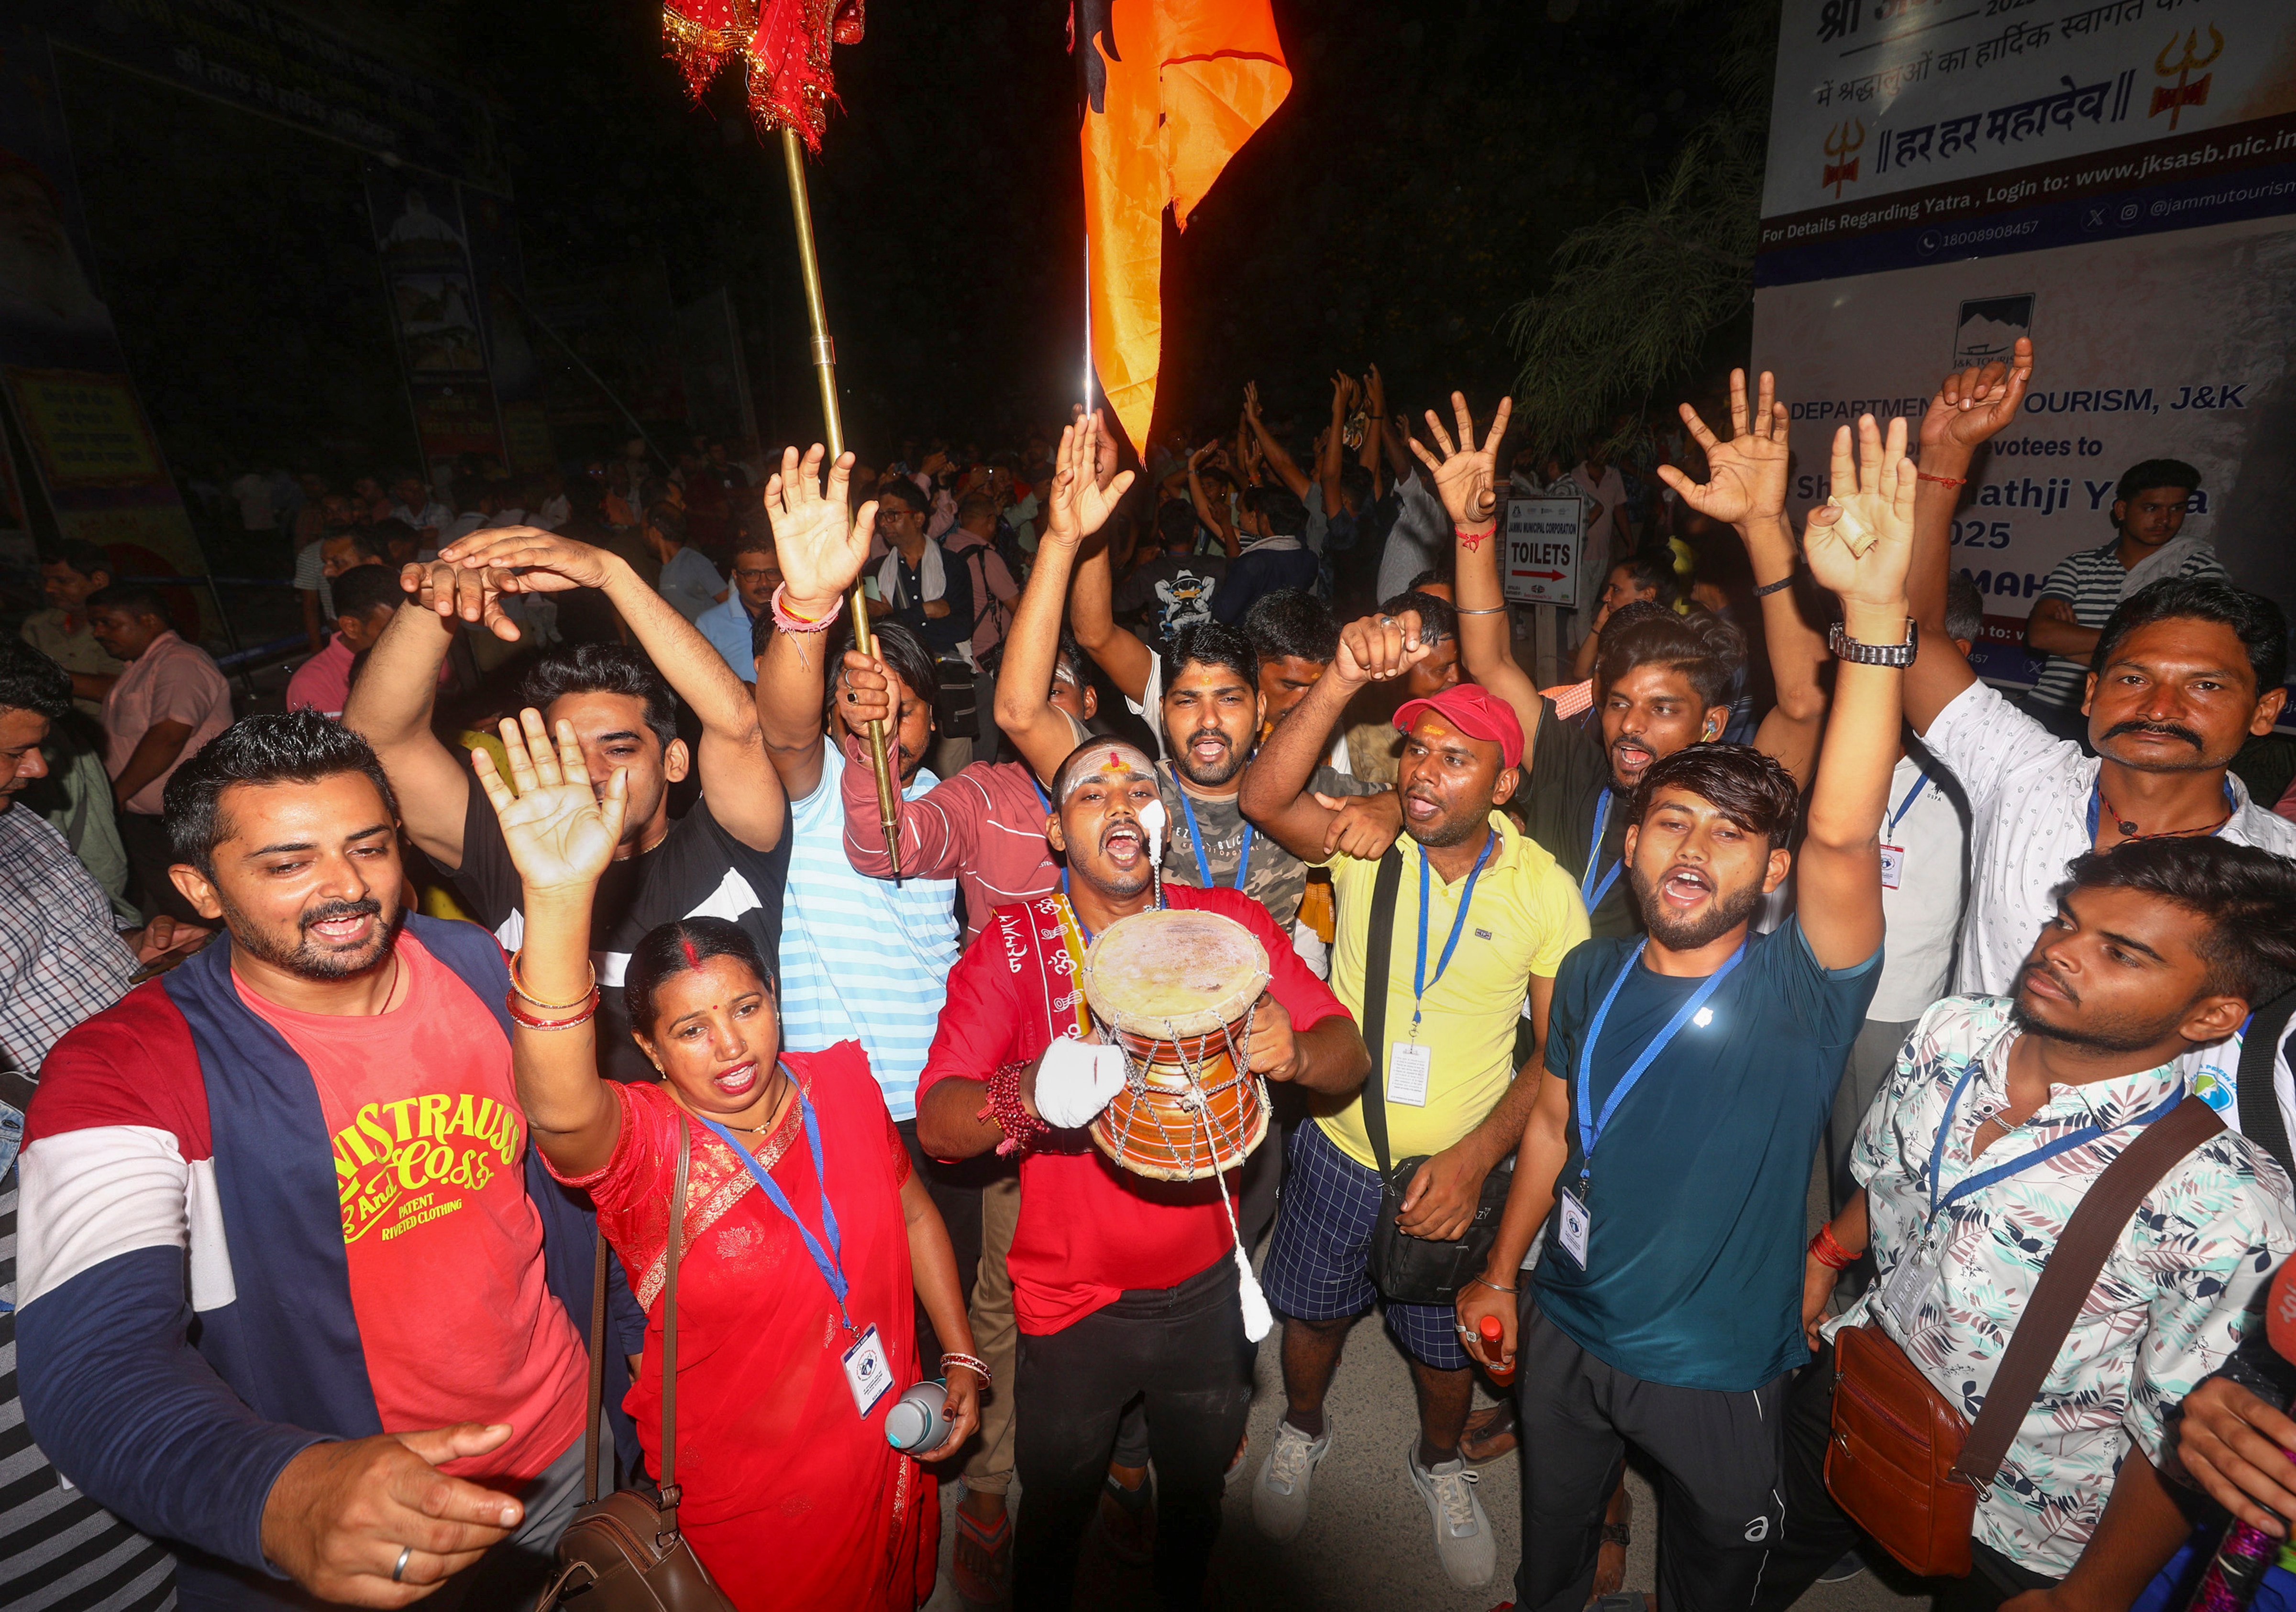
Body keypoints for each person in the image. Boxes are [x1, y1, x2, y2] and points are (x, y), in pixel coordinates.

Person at [1454, 407, 1912, 1612]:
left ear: (1769, 867)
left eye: (1727, 830)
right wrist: (1501, 1270)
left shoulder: (1799, 990)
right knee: (1551, 1535)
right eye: (1669, 819)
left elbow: (1840, 820)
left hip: (1711, 1363)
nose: (1691, 845)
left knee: (1707, 1577)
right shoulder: (1595, 970)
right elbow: (1553, 1122)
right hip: (1561, 1318)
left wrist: (1869, 617)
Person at [17, 714, 624, 1609]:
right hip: (372, 1516)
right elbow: (92, 1360)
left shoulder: (472, 965)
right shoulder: (123, 1068)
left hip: (570, 1443)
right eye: (287, 863)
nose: (346, 887)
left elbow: (580, 1176)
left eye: (368, 847)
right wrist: (278, 1490)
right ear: (200, 888)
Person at [469, 703, 979, 1610]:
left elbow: (911, 1212)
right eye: (692, 1029)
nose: (732, 1046)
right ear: (655, 1053)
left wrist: (966, 1359)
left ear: (776, 1000)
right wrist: (555, 901)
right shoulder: (646, 1146)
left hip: (887, 1440)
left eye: (747, 1009)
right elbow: (554, 1104)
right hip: (752, 1499)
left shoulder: (842, 1081)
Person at [1753, 837, 2296, 1612]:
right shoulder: (1954, 1029)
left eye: (2121, 952)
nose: (2063, 951)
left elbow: (2172, 1440)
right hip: (1855, 1378)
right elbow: (1892, 1173)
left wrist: (2090, 1599)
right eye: (2066, 921)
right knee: (1742, 1566)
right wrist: (1826, 1255)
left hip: (2021, 1513)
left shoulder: (2227, 1204)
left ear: (2211, 1013)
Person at [915, 736, 1371, 1612]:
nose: (1122, 802)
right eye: (1093, 793)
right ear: (1055, 830)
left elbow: (1347, 1053)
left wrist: (1300, 1050)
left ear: (1162, 822)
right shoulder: (1015, 947)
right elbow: (939, 1123)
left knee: (1197, 1498)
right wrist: (1029, 1092)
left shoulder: (1228, 924)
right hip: (1070, 1306)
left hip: (1208, 1292)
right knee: (1056, 1505)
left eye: (1140, 789)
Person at [1239, 642, 1588, 1589]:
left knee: (1445, 1347)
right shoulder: (1366, 840)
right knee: (1309, 1311)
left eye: (1455, 757)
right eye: (1415, 752)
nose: (1425, 772)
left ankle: (1437, 1461)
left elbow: (1560, 1053)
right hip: (1340, 1147)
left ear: (1506, 780)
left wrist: (1476, 1160)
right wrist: (1344, 680)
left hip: (1453, 1174)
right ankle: (1304, 1428)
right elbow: (1264, 797)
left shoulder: (1546, 892)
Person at [1897, 342, 2296, 1092]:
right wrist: (1943, 460)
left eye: (2205, 686)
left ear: (2265, 709)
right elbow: (1918, 641)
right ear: (2090, 693)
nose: (2159, 706)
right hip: (1953, 1125)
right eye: (2134, 676)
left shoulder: (2280, 870)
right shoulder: (2024, 774)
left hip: (2146, 1188)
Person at [344, 527, 789, 1081]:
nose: (590, 772)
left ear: (675, 761)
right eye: (565, 752)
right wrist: (434, 603)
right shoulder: (510, 850)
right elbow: (376, 741)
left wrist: (611, 574)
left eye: (619, 747)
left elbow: (738, 725)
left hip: (743, 1150)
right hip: (575, 1157)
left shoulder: (729, 844)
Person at [1437, 379, 1829, 941]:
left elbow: (1804, 703)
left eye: (1664, 707)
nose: (1631, 723)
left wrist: (1765, 527)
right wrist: (1473, 529)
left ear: (1711, 722)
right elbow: (1490, 658)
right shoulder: (1570, 759)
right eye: (1618, 702)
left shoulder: (1727, 803)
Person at [750, 446, 960, 1146]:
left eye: (903, 710)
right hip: (832, 1107)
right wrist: (807, 608)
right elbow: (782, 731)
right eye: (864, 707)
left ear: (934, 719)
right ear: (837, 713)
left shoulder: (949, 801)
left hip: (941, 1092)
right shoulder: (812, 791)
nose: (882, 728)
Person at [1821, 572, 1983, 1297]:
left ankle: (1857, 1304)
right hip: (1814, 984)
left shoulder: (1980, 771)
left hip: (1898, 1005)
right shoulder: (1844, 726)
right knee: (1804, 1154)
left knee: (1871, 1165)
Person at [2025, 457, 2226, 744]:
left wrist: (2071, 647)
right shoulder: (2079, 565)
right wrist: (2136, 648)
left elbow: (2183, 652)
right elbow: (2042, 635)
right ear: (2122, 510)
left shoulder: (2196, 569)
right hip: (2049, 709)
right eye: (2151, 508)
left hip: (2127, 720)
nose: (2165, 520)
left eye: (2177, 509)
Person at [86, 584, 232, 925]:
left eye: (109, 623)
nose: (98, 633)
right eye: (96, 624)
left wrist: (116, 794)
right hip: (153, 826)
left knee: (213, 916)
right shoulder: (143, 667)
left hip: (189, 822)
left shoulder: (180, 662)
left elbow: (168, 735)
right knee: (185, 916)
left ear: (148, 620)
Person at [869, 477, 975, 661]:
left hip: (946, 676)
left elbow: (961, 629)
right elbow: (875, 630)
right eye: (881, 516)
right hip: (896, 672)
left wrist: (894, 618)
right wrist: (925, 611)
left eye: (892, 515)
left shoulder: (951, 564)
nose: (884, 523)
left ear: (918, 518)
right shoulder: (874, 570)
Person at [284, 564, 402, 720]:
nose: (407, 638)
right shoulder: (313, 684)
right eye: (390, 631)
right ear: (351, 627)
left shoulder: (425, 653)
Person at [25, 538, 123, 719]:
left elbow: (113, 690)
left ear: (99, 580)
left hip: (104, 732)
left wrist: (38, 674)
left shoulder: (122, 626)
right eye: (46, 580)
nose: (49, 589)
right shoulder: (38, 626)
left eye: (62, 581)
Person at [1117, 498, 1225, 653]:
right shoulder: (1217, 566)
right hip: (1209, 658)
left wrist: (1137, 566)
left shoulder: (1149, 573)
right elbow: (1241, 570)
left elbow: (1117, 603)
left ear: (1162, 533)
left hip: (1168, 664)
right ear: (1196, 530)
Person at [1211, 486, 1318, 626]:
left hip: (1252, 641)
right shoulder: (1309, 559)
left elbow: (1224, 613)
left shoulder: (1253, 562)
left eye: (1259, 514)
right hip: (1287, 637)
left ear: (1265, 519)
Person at [1567, 553, 1674, 685]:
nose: (1606, 597)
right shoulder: (1622, 632)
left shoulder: (1654, 645)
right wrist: (1599, 626)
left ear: (1647, 595)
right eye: (1608, 589)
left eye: (1616, 590)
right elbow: (1581, 672)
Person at [695, 519, 779, 681]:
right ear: (735, 576)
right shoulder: (710, 625)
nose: (764, 583)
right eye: (752, 574)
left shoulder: (801, 619)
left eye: (772, 572)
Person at [644, 504, 724, 624]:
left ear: (654, 532)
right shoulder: (666, 571)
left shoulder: (694, 562)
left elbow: (728, 600)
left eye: (644, 530)